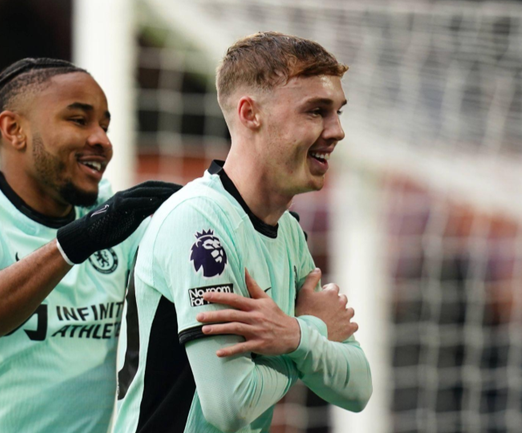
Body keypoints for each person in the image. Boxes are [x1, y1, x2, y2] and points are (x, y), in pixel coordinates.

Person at [113, 32, 373, 433]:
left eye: (338, 111)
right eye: (316, 111)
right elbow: (231, 405)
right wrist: (306, 336)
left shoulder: (288, 231)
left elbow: (358, 387)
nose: (337, 130)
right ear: (250, 113)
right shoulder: (199, 224)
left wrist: (294, 336)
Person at [0, 58, 180, 433]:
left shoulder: (113, 218)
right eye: (78, 119)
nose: (102, 139)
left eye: (104, 125)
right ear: (14, 129)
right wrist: (74, 243)